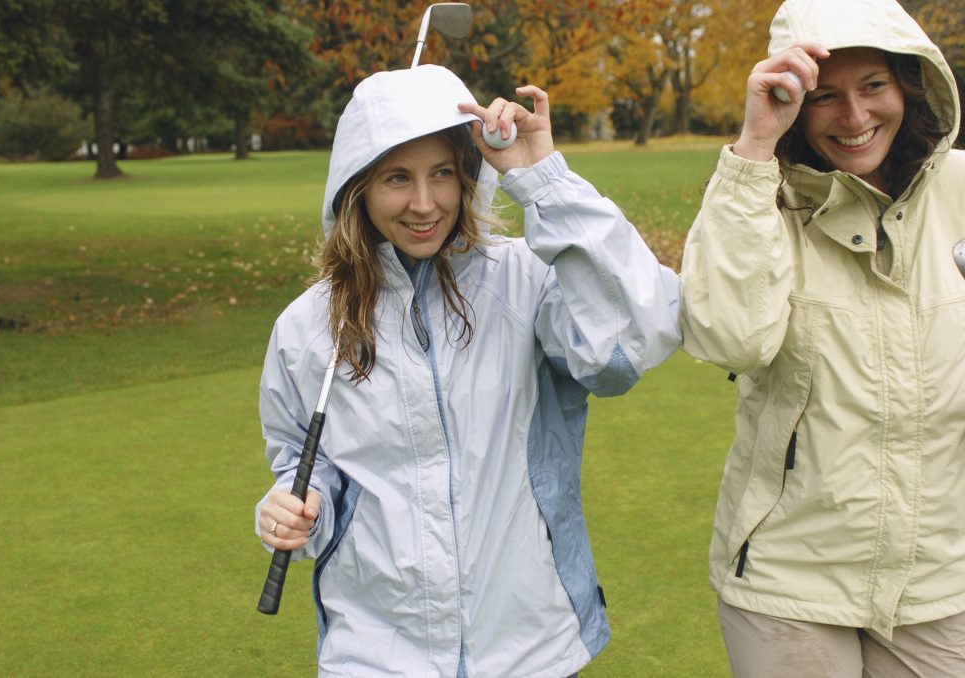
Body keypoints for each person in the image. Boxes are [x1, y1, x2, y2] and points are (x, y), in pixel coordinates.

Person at [254, 64, 680, 677]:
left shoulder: (526, 280)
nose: (424, 204)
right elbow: (301, 460)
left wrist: (543, 178)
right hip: (374, 656)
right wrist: (295, 502)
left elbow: (627, 346)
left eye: (442, 175)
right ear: (358, 187)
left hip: (530, 649)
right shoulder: (306, 326)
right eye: (397, 177)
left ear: (468, 175)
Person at [679, 0, 965, 675]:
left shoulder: (960, 190)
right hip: (789, 579)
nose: (856, 117)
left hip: (940, 576)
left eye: (874, 87)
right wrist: (753, 149)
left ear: (909, 85)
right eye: (825, 96)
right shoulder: (759, 200)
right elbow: (729, 337)